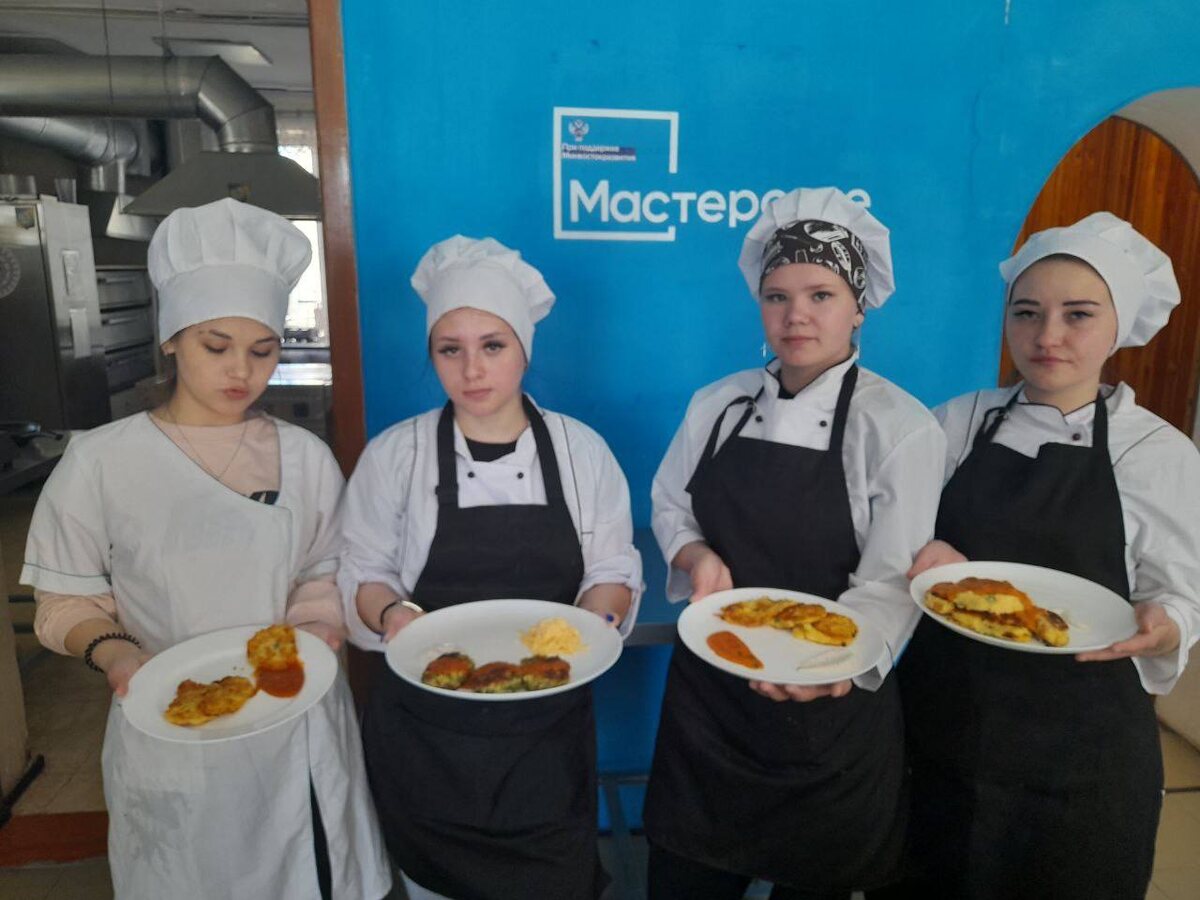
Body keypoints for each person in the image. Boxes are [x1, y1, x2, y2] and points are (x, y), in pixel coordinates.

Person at [20, 198, 391, 899]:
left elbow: (323, 570)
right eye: (215, 347)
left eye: (263, 350)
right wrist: (116, 653)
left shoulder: (305, 457)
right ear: (171, 339)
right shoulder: (103, 461)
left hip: (295, 727)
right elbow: (64, 602)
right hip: (170, 727)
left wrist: (317, 626)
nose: (240, 371)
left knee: (309, 872)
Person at [644, 187, 945, 899]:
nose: (796, 315)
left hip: (826, 709)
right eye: (777, 296)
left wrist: (834, 663)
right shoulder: (717, 404)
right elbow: (670, 504)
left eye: (821, 295)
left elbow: (889, 581)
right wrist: (693, 554)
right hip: (712, 703)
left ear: (858, 305)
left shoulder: (899, 426)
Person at [899, 212, 1200, 900]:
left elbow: (1181, 595)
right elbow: (891, 534)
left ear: (1119, 326)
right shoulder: (958, 421)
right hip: (943, 724)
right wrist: (920, 549)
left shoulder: (1155, 451)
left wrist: (1165, 625)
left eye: (1078, 315)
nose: (1047, 336)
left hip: (1081, 749)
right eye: (1027, 312)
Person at [339, 235, 642, 900]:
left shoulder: (582, 451)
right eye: (450, 349)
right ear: (432, 355)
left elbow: (612, 569)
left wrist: (593, 626)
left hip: (546, 738)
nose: (472, 369)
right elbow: (363, 571)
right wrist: (392, 615)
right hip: (427, 738)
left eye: (493, 346)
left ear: (524, 349)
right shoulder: (395, 456)